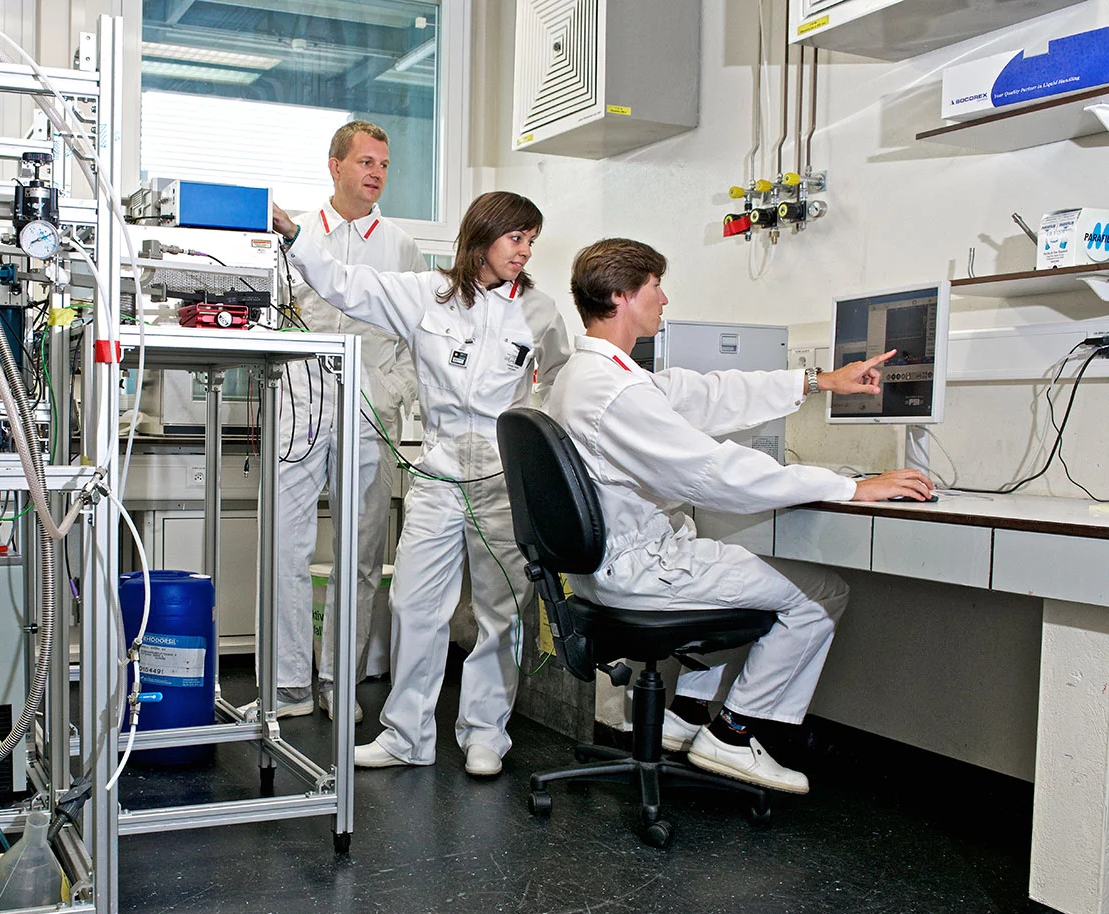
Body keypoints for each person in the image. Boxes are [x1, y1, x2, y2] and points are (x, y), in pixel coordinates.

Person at [544, 238, 934, 794]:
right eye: (656, 285)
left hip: (604, 571)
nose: (665, 298)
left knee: (745, 574)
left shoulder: (595, 376)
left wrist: (817, 381)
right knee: (820, 593)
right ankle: (732, 732)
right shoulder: (616, 392)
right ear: (621, 295)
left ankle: (684, 715)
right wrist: (851, 487)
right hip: (638, 572)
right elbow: (717, 473)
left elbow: (703, 394)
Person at [272, 191, 573, 777]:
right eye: (516, 238)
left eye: (531, 240)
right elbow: (345, 283)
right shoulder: (425, 294)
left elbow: (562, 374)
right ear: (482, 236)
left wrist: (544, 442)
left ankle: (486, 732)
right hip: (437, 477)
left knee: (500, 610)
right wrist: (292, 237)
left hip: (500, 479)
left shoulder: (539, 310)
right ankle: (407, 733)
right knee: (413, 603)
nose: (525, 250)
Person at [256, 121, 428, 724]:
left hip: (369, 408)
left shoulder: (401, 247)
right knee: (286, 547)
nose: (376, 173)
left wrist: (393, 391)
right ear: (335, 166)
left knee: (359, 552)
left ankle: (338, 681)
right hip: (301, 404)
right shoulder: (290, 234)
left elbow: (418, 337)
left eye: (384, 164)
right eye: (365, 161)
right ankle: (288, 687)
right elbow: (272, 319)